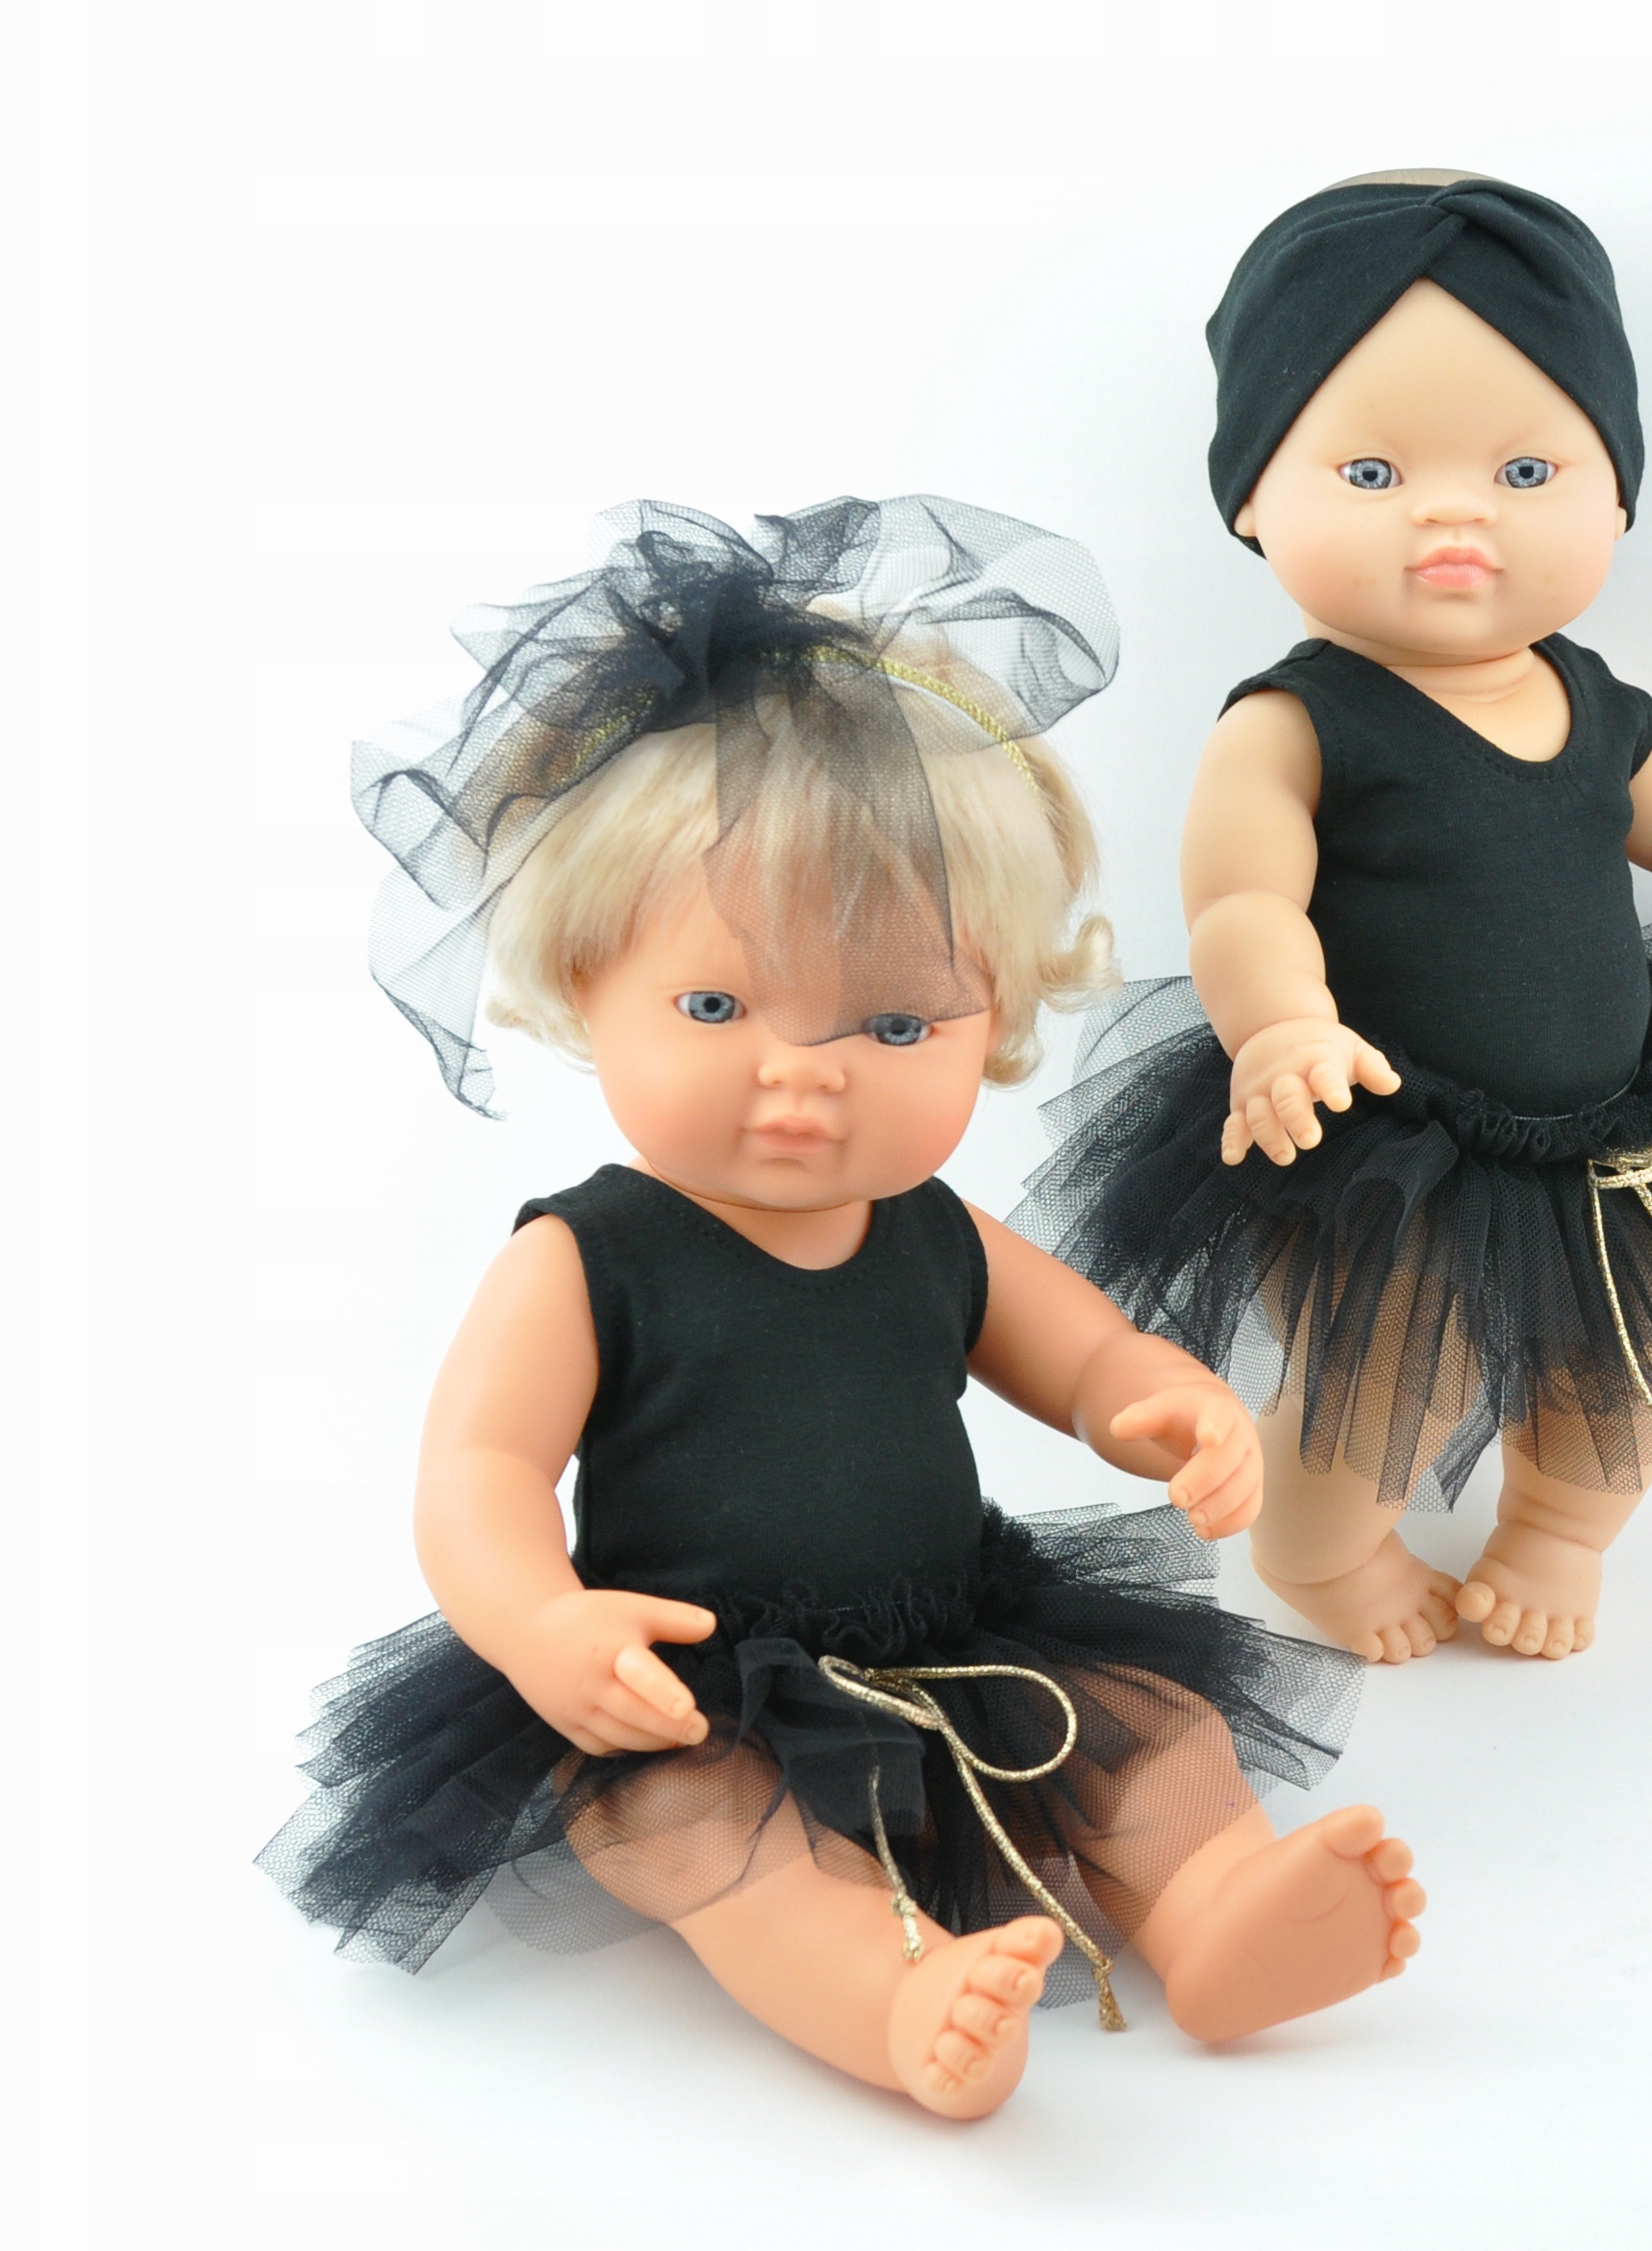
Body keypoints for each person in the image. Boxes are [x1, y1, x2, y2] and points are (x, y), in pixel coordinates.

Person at [261, 496, 1421, 2121]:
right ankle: (892, 1997)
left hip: (957, 1632)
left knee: (1150, 1725)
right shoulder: (584, 1259)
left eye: (891, 1023)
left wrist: (1158, 1400)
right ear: (587, 981)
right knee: (697, 1832)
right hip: (699, 1681)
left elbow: (1082, 1349)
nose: (800, 1076)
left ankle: (1217, 1910)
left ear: (991, 1016)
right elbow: (479, 1470)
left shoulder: (933, 1231)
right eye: (716, 1003)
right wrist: (538, 1621)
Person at [1013, 174, 1652, 1667]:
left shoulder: (1595, 701)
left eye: (1524, 471)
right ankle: (1320, 1549)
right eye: (1370, 471)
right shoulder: (1293, 723)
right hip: (1389, 1138)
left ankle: (1558, 1529)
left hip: (1613, 1124)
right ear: (1252, 498)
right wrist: (1280, 1023)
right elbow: (1242, 896)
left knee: (1627, 1366)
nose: (1453, 510)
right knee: (1382, 1378)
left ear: (1613, 498)